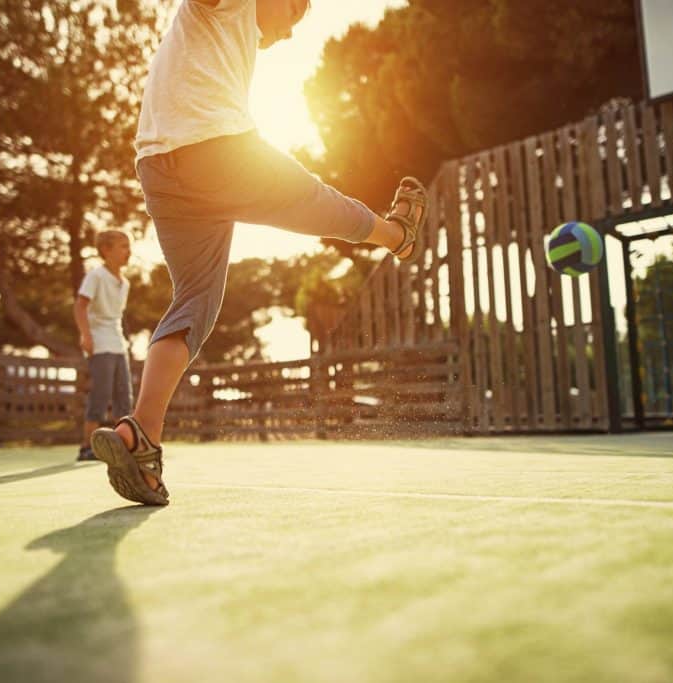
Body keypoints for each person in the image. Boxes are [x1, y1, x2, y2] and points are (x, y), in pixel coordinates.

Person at [90, 0, 427, 505]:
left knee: (194, 304)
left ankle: (141, 435)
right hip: (217, 150)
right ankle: (397, 235)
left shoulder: (231, 35)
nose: (290, 33)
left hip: (158, 167)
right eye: (294, 15)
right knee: (313, 200)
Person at [74, 230, 134, 461]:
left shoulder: (124, 283)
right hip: (100, 343)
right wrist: (86, 336)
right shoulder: (96, 276)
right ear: (106, 250)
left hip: (119, 344)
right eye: (123, 246)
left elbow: (117, 316)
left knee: (123, 396)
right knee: (101, 393)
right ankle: (86, 447)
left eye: (128, 246)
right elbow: (80, 306)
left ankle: (124, 446)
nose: (128, 251)